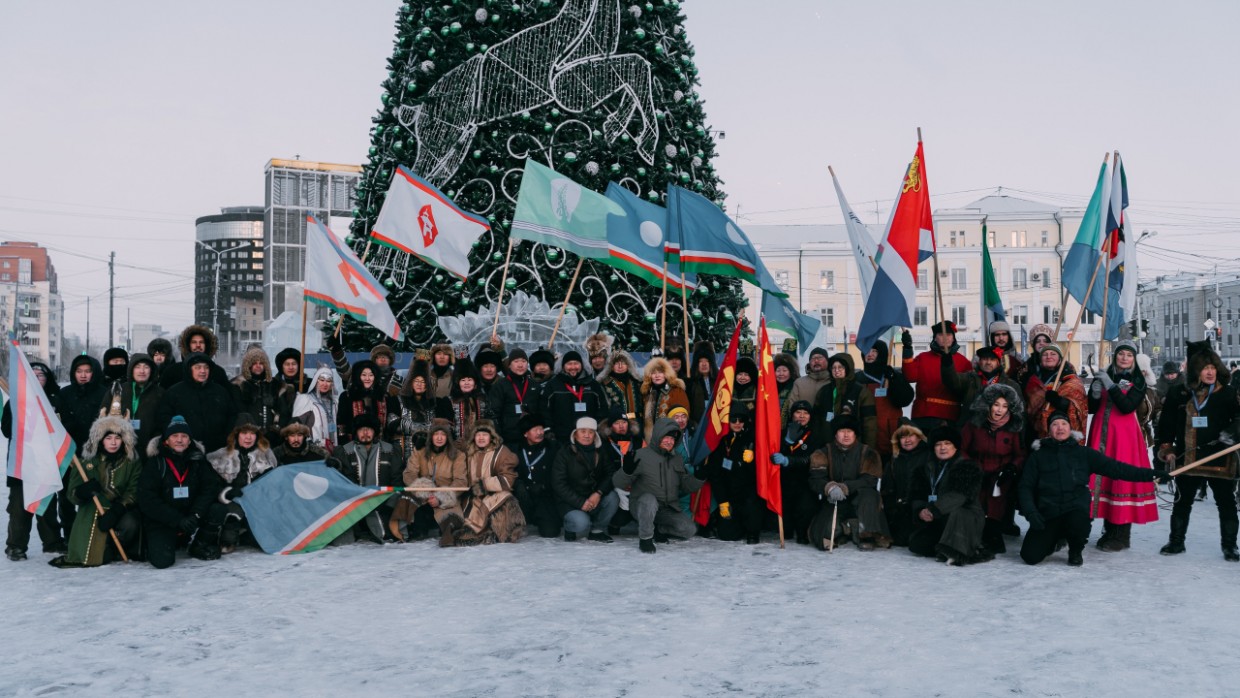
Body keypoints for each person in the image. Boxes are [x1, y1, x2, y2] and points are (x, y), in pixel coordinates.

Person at [1021, 412, 1170, 566]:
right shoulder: (1038, 456)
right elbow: (1025, 487)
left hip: (1075, 509)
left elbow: (1117, 468)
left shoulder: (1084, 454)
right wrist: (1031, 512)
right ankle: (1055, 538)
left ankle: (1075, 549)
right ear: (1049, 430)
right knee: (1030, 556)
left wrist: (1152, 474)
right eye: (1055, 424)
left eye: (1064, 424)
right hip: (1048, 512)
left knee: (1078, 522)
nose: (1060, 428)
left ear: (1070, 428)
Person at [1155, 341, 1240, 561]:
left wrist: (1232, 432)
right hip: (1188, 458)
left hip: (1220, 457)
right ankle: (1176, 542)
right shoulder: (1178, 393)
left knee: (1226, 503)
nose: (1210, 372)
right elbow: (1165, 427)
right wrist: (1168, 450)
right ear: (1195, 370)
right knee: (1182, 502)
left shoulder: (1229, 393)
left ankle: (1230, 546)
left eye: (1212, 367)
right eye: (1204, 368)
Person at [1087, 341, 1160, 552]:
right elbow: (1092, 408)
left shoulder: (1138, 381)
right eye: (1121, 354)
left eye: (1129, 355)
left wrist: (1110, 386)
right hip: (1101, 431)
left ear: (1134, 359)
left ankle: (1120, 535)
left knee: (1120, 480)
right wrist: (1094, 392)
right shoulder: (1104, 374)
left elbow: (1127, 407)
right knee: (1101, 479)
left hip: (1124, 437)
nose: (1124, 358)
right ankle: (1107, 529)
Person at [49, 415, 142, 568]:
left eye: (117, 438)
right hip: (92, 512)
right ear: (100, 439)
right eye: (108, 438)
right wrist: (81, 492)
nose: (113, 442)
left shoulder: (132, 462)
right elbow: (71, 495)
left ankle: (113, 546)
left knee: (130, 523)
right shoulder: (86, 462)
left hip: (120, 510)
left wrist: (117, 510)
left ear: (124, 439)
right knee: (95, 556)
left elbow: (134, 490)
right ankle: (101, 548)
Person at [137, 416, 221, 568]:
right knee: (162, 562)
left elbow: (209, 488)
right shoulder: (156, 462)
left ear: (190, 441)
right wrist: (176, 519)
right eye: (174, 436)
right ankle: (166, 542)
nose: (179, 440)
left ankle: (199, 545)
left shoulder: (198, 460)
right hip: (164, 520)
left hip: (190, 516)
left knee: (218, 510)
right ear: (166, 440)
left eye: (184, 436)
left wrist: (195, 514)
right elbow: (147, 498)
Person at [614, 417, 706, 553]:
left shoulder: (677, 459)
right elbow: (618, 482)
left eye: (673, 439)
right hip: (642, 506)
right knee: (649, 499)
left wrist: (699, 477)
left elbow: (685, 486)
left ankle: (659, 529)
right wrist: (627, 471)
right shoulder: (641, 455)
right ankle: (646, 538)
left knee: (689, 529)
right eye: (666, 437)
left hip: (666, 509)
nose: (669, 441)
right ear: (658, 436)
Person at [4, 362, 66, 560]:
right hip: (22, 462)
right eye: (34, 374)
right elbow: (7, 429)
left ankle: (52, 542)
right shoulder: (15, 402)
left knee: (46, 502)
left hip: (46, 462)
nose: (37, 378)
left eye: (41, 375)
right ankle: (15, 546)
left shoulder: (55, 400)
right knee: (19, 506)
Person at [906, 425, 989, 565]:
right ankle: (945, 546)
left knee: (957, 512)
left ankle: (963, 549)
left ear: (955, 446)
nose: (942, 448)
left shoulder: (967, 467)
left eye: (947, 443)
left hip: (964, 517)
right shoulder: (925, 468)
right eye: (938, 444)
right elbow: (917, 495)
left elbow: (958, 496)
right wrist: (921, 511)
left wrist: (934, 510)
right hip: (938, 517)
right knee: (917, 545)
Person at [960, 384, 1026, 554]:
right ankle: (975, 534)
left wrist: (1012, 467)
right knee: (977, 502)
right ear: (988, 404)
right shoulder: (973, 424)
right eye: (996, 405)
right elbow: (962, 449)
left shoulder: (1014, 427)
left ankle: (993, 532)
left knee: (996, 502)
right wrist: (971, 467)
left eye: (1004, 406)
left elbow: (1019, 454)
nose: (999, 410)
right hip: (977, 471)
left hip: (1000, 474)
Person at [807, 415, 889, 551]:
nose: (846, 435)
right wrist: (829, 487)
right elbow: (815, 479)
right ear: (835, 434)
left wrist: (846, 487)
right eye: (842, 431)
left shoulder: (868, 453)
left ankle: (866, 534)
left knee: (869, 495)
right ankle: (846, 529)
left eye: (850, 431)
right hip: (835, 500)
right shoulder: (823, 452)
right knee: (823, 539)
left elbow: (870, 480)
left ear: (855, 434)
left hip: (861, 501)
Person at [205, 415, 280, 554]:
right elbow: (211, 486)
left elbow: (276, 480)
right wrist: (227, 492)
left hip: (259, 505)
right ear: (236, 434)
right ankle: (231, 534)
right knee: (227, 539)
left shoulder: (266, 454)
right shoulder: (222, 456)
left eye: (252, 433)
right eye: (244, 433)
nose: (248, 437)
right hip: (234, 504)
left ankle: (247, 535)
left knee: (267, 542)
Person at [54, 353, 107, 538]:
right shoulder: (65, 393)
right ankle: (69, 534)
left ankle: (92, 534)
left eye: (87, 371)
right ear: (73, 373)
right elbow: (58, 420)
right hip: (69, 452)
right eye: (79, 371)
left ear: (94, 373)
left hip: (94, 452)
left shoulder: (103, 393)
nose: (83, 375)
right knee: (67, 495)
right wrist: (69, 426)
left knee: (93, 493)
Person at [449, 420, 525, 546]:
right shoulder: (468, 452)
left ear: (492, 437)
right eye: (478, 435)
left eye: (485, 435)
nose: (481, 438)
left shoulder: (502, 452)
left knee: (505, 499)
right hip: (472, 497)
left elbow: (508, 478)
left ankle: (501, 532)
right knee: (468, 525)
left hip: (494, 494)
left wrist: (483, 485)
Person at [328, 414, 401, 543]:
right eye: (361, 429)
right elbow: (344, 479)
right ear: (356, 432)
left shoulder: (389, 450)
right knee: (343, 541)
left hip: (383, 502)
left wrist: (391, 501)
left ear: (375, 432)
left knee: (388, 534)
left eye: (369, 429)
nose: (365, 433)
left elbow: (396, 477)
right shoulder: (344, 451)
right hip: (355, 503)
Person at [394, 418, 467, 543]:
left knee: (452, 526)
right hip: (423, 495)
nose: (439, 438)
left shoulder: (458, 455)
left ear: (448, 437)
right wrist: (424, 490)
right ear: (431, 436)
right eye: (436, 434)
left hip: (446, 497)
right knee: (414, 522)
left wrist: (440, 497)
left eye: (443, 435)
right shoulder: (419, 452)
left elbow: (460, 481)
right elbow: (409, 474)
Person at [551, 417, 620, 542]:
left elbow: (610, 474)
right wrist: (580, 502)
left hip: (594, 499)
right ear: (575, 434)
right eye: (583, 431)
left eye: (591, 432)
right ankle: (570, 528)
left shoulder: (601, 451)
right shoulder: (564, 453)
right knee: (581, 523)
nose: (587, 435)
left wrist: (599, 493)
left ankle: (597, 530)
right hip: (571, 502)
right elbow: (558, 483)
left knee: (613, 497)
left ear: (595, 435)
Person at [155, 353, 239, 453]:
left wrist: (225, 437)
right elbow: (164, 418)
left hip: (218, 450)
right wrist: (178, 438)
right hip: (185, 451)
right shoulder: (174, 392)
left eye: (206, 367)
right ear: (189, 369)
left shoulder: (220, 392)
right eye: (198, 367)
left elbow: (232, 415)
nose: (202, 371)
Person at [900, 321, 973, 431]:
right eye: (940, 334)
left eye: (948, 334)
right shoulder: (923, 357)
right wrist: (907, 348)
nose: (945, 338)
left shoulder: (964, 362)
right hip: (923, 416)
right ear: (935, 338)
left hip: (951, 417)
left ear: (953, 338)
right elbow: (910, 376)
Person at [706, 404, 763, 544]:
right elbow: (716, 474)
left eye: (741, 420)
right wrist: (722, 501)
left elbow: (761, 473)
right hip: (729, 492)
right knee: (727, 535)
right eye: (734, 420)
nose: (737, 423)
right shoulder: (722, 439)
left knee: (752, 508)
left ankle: (753, 530)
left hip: (749, 494)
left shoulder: (754, 437)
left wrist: (752, 462)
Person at [771, 400, 821, 545]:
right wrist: (786, 442)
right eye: (798, 412)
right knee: (785, 530)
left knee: (805, 506)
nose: (802, 416)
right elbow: (774, 455)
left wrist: (789, 461)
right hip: (785, 480)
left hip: (805, 480)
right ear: (792, 415)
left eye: (805, 413)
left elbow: (812, 459)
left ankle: (802, 532)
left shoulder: (815, 435)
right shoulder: (781, 433)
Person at [855, 340, 914, 462]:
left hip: (890, 436)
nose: (870, 354)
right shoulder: (857, 379)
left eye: (874, 351)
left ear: (881, 354)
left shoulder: (892, 376)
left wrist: (893, 379)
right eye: (867, 351)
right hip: (865, 436)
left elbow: (906, 399)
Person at [1022, 343, 1087, 442]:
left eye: (1053, 354)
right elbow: (1028, 406)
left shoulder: (1070, 378)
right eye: (1045, 354)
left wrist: (1059, 401)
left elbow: (1079, 405)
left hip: (1061, 430)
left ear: (1060, 359)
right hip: (1036, 433)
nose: (1048, 357)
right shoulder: (1033, 379)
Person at [940, 346, 1022, 424]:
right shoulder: (969, 379)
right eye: (985, 359)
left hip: (998, 434)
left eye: (992, 359)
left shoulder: (1011, 385)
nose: (988, 362)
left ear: (998, 362)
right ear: (979, 362)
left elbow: (1019, 414)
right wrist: (947, 364)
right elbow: (951, 381)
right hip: (971, 431)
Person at [510, 414, 561, 538]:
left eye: (541, 429)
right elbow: (508, 471)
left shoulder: (553, 447)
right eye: (535, 430)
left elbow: (560, 472)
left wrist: (544, 486)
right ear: (525, 434)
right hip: (523, 496)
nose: (540, 433)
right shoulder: (515, 450)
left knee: (551, 533)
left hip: (545, 495)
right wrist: (518, 484)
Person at [540, 350, 608, 443]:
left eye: (576, 363)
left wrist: (596, 427)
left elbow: (602, 408)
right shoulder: (553, 385)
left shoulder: (593, 384)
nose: (573, 367)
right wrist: (548, 429)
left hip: (588, 436)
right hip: (561, 436)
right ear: (563, 366)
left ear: (582, 365)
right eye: (569, 364)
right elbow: (544, 409)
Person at [97, 352, 164, 446]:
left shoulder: (160, 393)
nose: (142, 371)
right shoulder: (117, 390)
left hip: (149, 447)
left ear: (151, 370)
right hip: (120, 447)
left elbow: (164, 421)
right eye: (137, 367)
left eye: (146, 367)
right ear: (131, 369)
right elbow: (102, 417)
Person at [391, 359, 452, 462]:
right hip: (403, 454)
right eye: (417, 381)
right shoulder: (397, 401)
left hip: (430, 453)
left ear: (427, 385)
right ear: (410, 383)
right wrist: (429, 426)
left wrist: (408, 424)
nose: (419, 384)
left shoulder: (436, 404)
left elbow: (446, 427)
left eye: (423, 382)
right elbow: (392, 423)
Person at [813, 353, 877, 449]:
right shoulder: (824, 391)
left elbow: (869, 424)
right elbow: (816, 420)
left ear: (848, 368)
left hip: (854, 448)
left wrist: (868, 450)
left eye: (840, 367)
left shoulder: (861, 391)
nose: (837, 371)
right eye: (833, 368)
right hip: (828, 446)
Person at [232, 346, 294, 444]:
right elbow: (238, 413)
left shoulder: (276, 385)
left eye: (261, 363)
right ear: (248, 365)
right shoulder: (238, 385)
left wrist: (276, 431)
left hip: (273, 439)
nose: (258, 366)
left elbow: (284, 412)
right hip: (248, 439)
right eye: (254, 363)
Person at [882, 421, 930, 547]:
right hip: (900, 509)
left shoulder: (929, 456)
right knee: (900, 541)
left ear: (919, 437)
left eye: (910, 436)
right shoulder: (894, 459)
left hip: (922, 508)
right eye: (902, 437)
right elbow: (887, 489)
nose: (907, 440)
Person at [336, 359, 400, 447]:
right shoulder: (347, 396)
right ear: (358, 376)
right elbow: (341, 425)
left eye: (371, 375)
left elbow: (392, 424)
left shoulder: (384, 397)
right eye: (364, 375)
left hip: (380, 448)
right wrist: (345, 445)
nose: (367, 378)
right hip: (353, 447)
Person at [488, 349, 537, 446]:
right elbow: (493, 413)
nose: (520, 365)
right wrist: (499, 436)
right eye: (516, 361)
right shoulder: (500, 385)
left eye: (523, 361)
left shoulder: (534, 385)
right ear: (509, 365)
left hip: (531, 439)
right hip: (508, 439)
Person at [640, 357, 690, 439]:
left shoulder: (676, 391)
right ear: (649, 376)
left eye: (660, 372)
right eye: (653, 373)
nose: (657, 376)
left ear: (666, 374)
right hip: (651, 439)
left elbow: (683, 416)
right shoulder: (647, 394)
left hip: (672, 437)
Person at [292, 366, 341, 449]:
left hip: (334, 448)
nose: (325, 384)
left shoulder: (335, 402)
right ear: (316, 381)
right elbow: (296, 427)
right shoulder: (305, 399)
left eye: (328, 381)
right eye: (322, 380)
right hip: (314, 449)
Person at [446, 356, 488, 448]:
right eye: (463, 380)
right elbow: (447, 427)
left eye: (469, 380)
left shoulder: (482, 401)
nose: (466, 383)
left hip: (479, 447)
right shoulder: (450, 401)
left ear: (475, 383)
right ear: (458, 383)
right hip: (456, 448)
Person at [599, 349, 642, 437]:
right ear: (611, 366)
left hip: (639, 424)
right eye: (616, 363)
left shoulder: (637, 382)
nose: (620, 366)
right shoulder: (604, 384)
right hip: (615, 428)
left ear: (628, 365)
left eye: (623, 363)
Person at [788, 347, 831, 413]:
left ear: (827, 361)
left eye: (820, 358)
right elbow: (792, 406)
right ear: (809, 362)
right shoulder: (799, 383)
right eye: (813, 358)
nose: (816, 361)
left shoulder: (833, 382)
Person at [685, 341, 718, 425]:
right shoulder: (690, 383)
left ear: (711, 363)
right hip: (697, 427)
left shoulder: (719, 381)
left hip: (715, 425)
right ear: (696, 364)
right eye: (700, 361)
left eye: (707, 361)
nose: (704, 364)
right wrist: (692, 424)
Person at [773, 351, 800, 421]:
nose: (781, 374)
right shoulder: (770, 388)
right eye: (778, 371)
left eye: (784, 370)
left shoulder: (796, 387)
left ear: (791, 372)